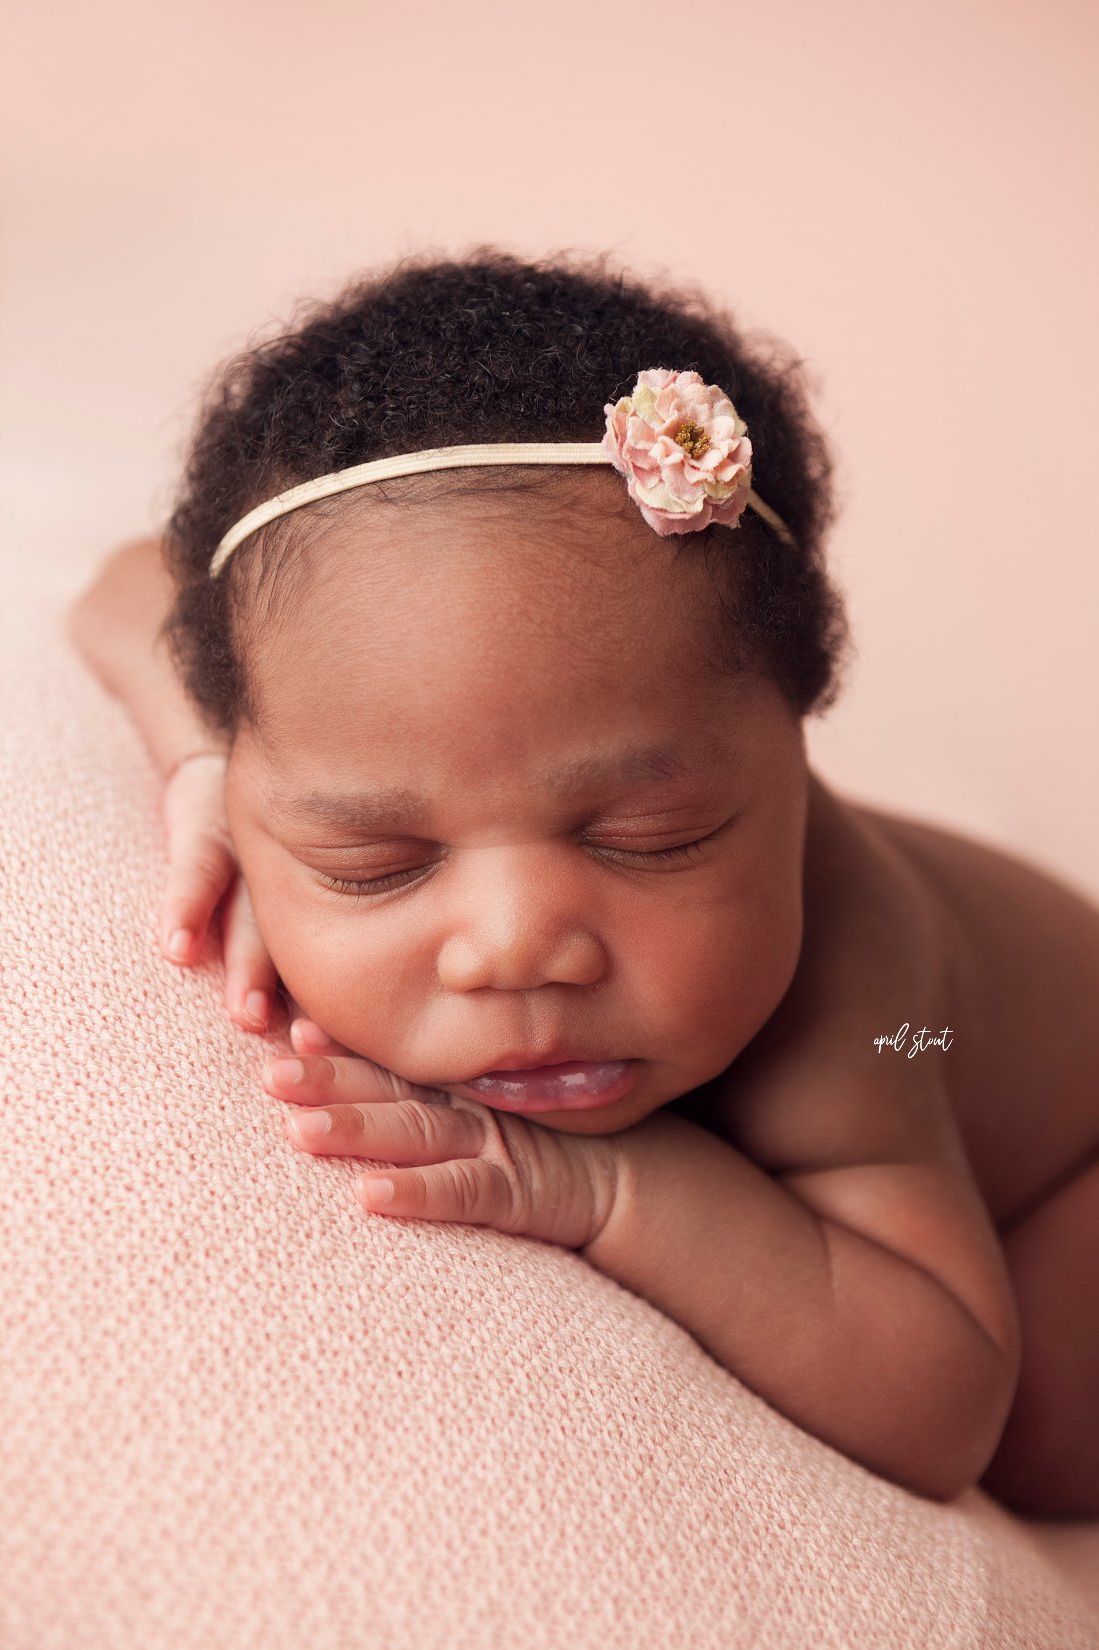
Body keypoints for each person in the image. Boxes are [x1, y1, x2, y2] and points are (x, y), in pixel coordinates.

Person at [67, 247, 1099, 1520]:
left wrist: (609, 1187)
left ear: (795, 742)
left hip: (1046, 1124)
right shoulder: (260, 726)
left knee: (1052, 1443)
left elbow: (945, 1402)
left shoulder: (858, 992)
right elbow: (124, 589)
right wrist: (199, 765)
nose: (514, 948)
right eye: (372, 861)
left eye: (647, 838)